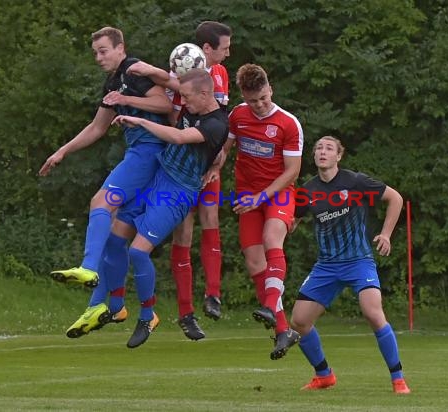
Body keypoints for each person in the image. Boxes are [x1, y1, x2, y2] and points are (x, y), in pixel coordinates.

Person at [38, 27, 172, 337]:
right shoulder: (113, 82)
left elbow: (165, 105)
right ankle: (106, 305)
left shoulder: (134, 71)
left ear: (120, 47)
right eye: (95, 52)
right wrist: (62, 151)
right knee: (114, 238)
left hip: (149, 154)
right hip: (142, 156)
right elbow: (97, 128)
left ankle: (88, 269)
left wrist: (125, 98)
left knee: (100, 201)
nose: (98, 57)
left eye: (103, 50)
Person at [127, 21, 232, 340]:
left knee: (210, 215)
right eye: (225, 47)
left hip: (200, 157)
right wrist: (146, 69)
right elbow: (168, 88)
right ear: (206, 51)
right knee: (182, 232)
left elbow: (219, 125)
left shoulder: (218, 79)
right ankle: (185, 313)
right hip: (177, 158)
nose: (229, 53)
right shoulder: (183, 73)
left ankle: (212, 294)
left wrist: (216, 162)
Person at [289, 136, 411, 393]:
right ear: (314, 156)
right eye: (319, 148)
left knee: (372, 313)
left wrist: (386, 234)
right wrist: (281, 226)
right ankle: (324, 375)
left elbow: (395, 198)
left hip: (359, 261)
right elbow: (294, 220)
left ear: (338, 156)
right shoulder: (307, 191)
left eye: (329, 148)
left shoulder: (355, 181)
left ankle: (398, 378)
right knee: (298, 322)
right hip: (326, 266)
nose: (323, 152)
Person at [222, 63, 303, 360]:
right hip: (247, 196)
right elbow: (225, 149)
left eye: (263, 99)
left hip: (278, 193)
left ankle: (270, 305)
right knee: (255, 262)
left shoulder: (288, 123)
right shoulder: (238, 115)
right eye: (252, 100)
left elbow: (292, 172)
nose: (258, 106)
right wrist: (214, 168)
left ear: (270, 89)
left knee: (272, 240)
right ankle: (283, 330)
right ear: (243, 95)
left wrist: (261, 197)